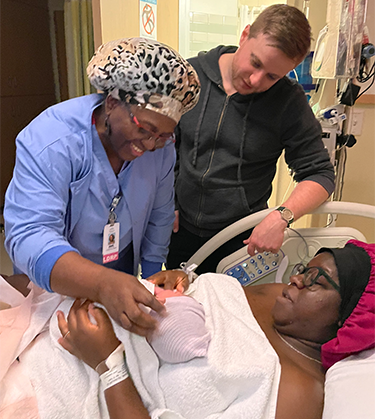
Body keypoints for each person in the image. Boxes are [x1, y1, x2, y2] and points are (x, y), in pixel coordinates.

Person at [3, 37, 200, 336]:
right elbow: (29, 235)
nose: (149, 145)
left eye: (162, 135)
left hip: (118, 266)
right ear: (112, 103)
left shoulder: (162, 149)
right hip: (56, 275)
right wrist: (101, 283)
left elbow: (160, 216)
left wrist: (150, 278)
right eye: (144, 129)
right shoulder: (51, 141)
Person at [51, 239, 374, 419]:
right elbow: (215, 297)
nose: (296, 279)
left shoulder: (297, 396)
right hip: (81, 317)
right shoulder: (282, 300)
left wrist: (110, 365)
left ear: (349, 319)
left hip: (85, 372)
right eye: (305, 269)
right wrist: (183, 283)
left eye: (317, 282)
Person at [167, 4, 335, 274]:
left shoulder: (288, 102)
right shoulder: (189, 76)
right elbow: (165, 146)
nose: (256, 80)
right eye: (255, 63)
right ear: (245, 36)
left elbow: (321, 175)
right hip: (179, 230)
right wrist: (167, 201)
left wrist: (282, 216)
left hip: (243, 240)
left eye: (272, 76)